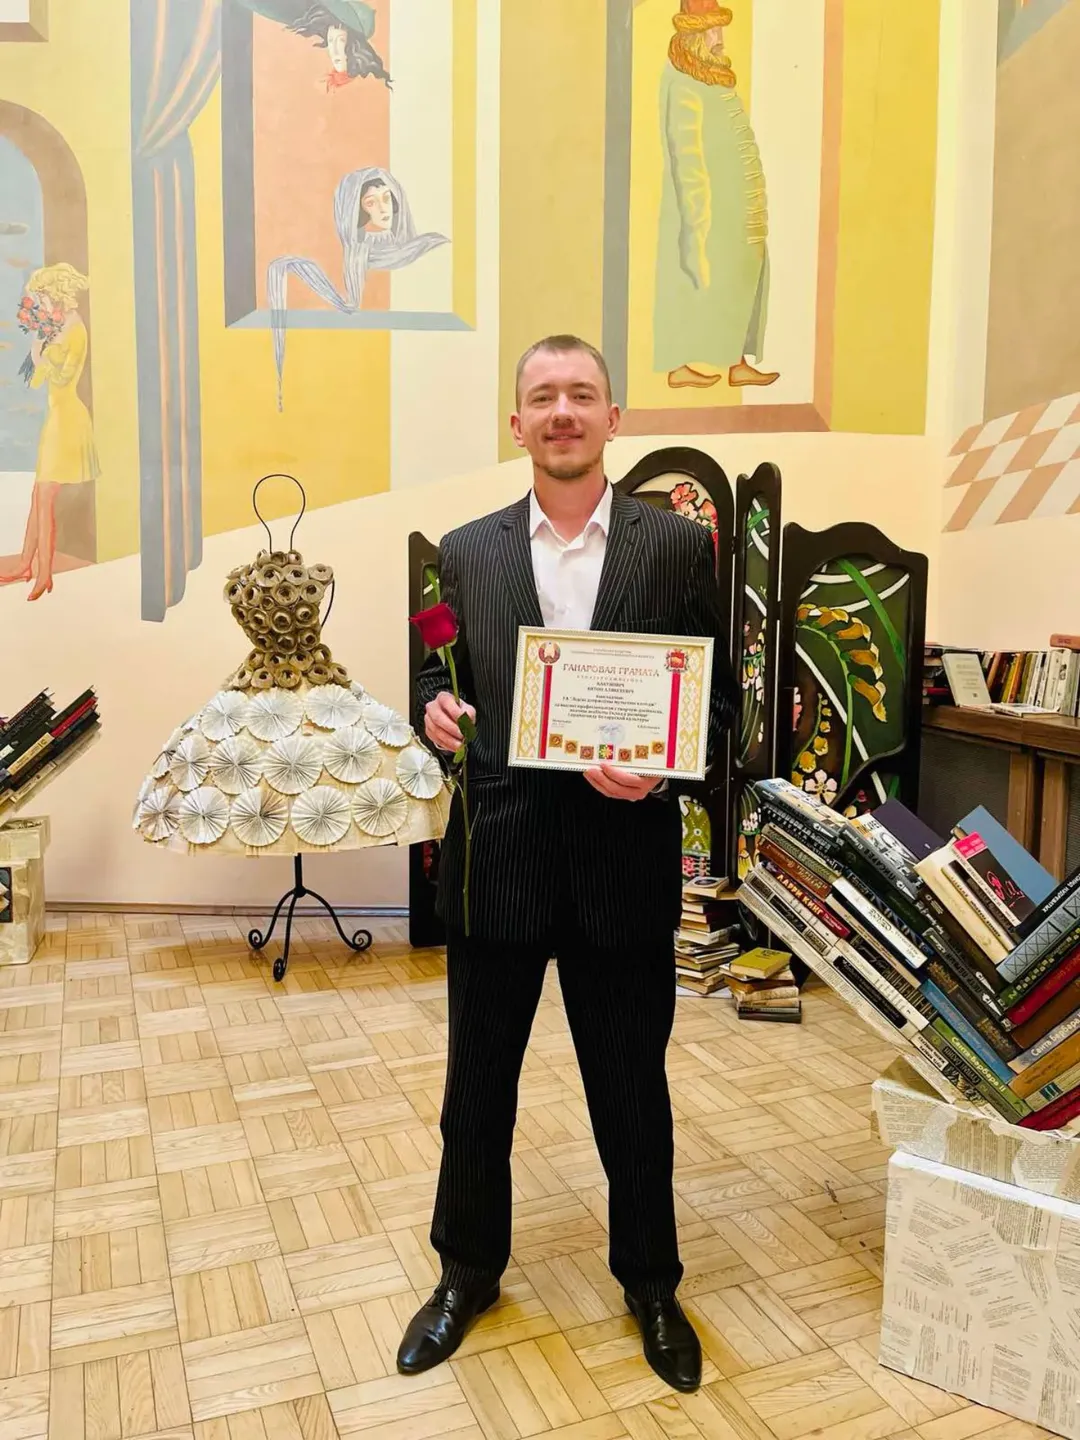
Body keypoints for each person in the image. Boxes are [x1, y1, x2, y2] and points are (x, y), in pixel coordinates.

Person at [401, 334, 739, 1392]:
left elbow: (719, 707)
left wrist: (663, 769)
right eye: (543, 397)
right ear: (517, 424)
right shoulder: (464, 554)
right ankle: (466, 1272)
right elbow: (434, 683)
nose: (562, 412)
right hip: (497, 861)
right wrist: (434, 714)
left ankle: (652, 1283)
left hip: (621, 867)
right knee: (476, 1094)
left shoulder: (676, 548)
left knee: (633, 1096)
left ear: (612, 417)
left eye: (581, 395)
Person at [655, 0, 779, 391]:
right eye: (712, 31)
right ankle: (677, 365)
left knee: (742, 282)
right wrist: (697, 222)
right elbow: (687, 156)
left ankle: (738, 362)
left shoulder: (713, 76)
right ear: (693, 37)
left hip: (736, 209)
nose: (719, 38)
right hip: (707, 210)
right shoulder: (683, 82)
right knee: (691, 282)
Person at [0, 263, 98, 601]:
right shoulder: (57, 327)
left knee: (45, 499)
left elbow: (63, 377)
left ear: (55, 294)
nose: (39, 303)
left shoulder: (75, 329)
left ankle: (43, 573)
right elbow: (37, 381)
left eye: (40, 297)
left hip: (68, 421)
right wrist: (38, 351)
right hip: (57, 419)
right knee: (37, 496)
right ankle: (25, 564)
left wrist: (40, 356)